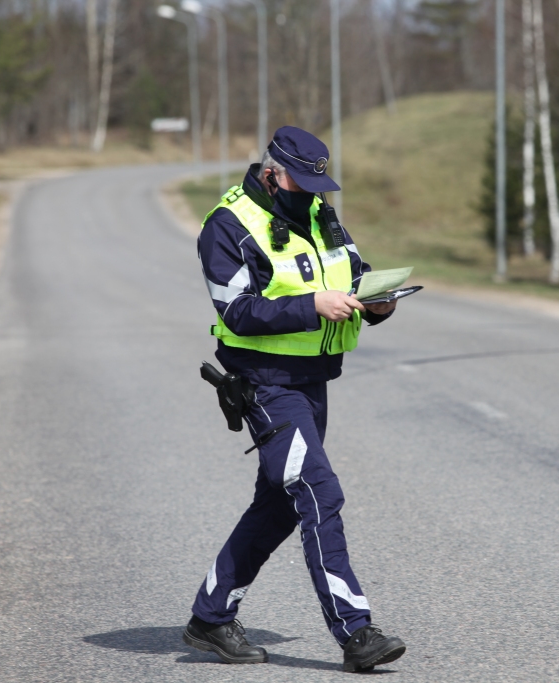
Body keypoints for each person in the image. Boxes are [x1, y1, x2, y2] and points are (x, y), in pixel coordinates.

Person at [183, 126, 407, 673]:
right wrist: (312, 306)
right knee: (317, 492)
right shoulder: (227, 225)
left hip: (312, 381)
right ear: (271, 173)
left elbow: (355, 276)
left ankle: (210, 618)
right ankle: (356, 632)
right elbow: (237, 312)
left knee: (281, 503)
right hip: (264, 382)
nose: (312, 194)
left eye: (318, 185)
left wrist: (378, 303)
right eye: (301, 183)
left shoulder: (320, 213)